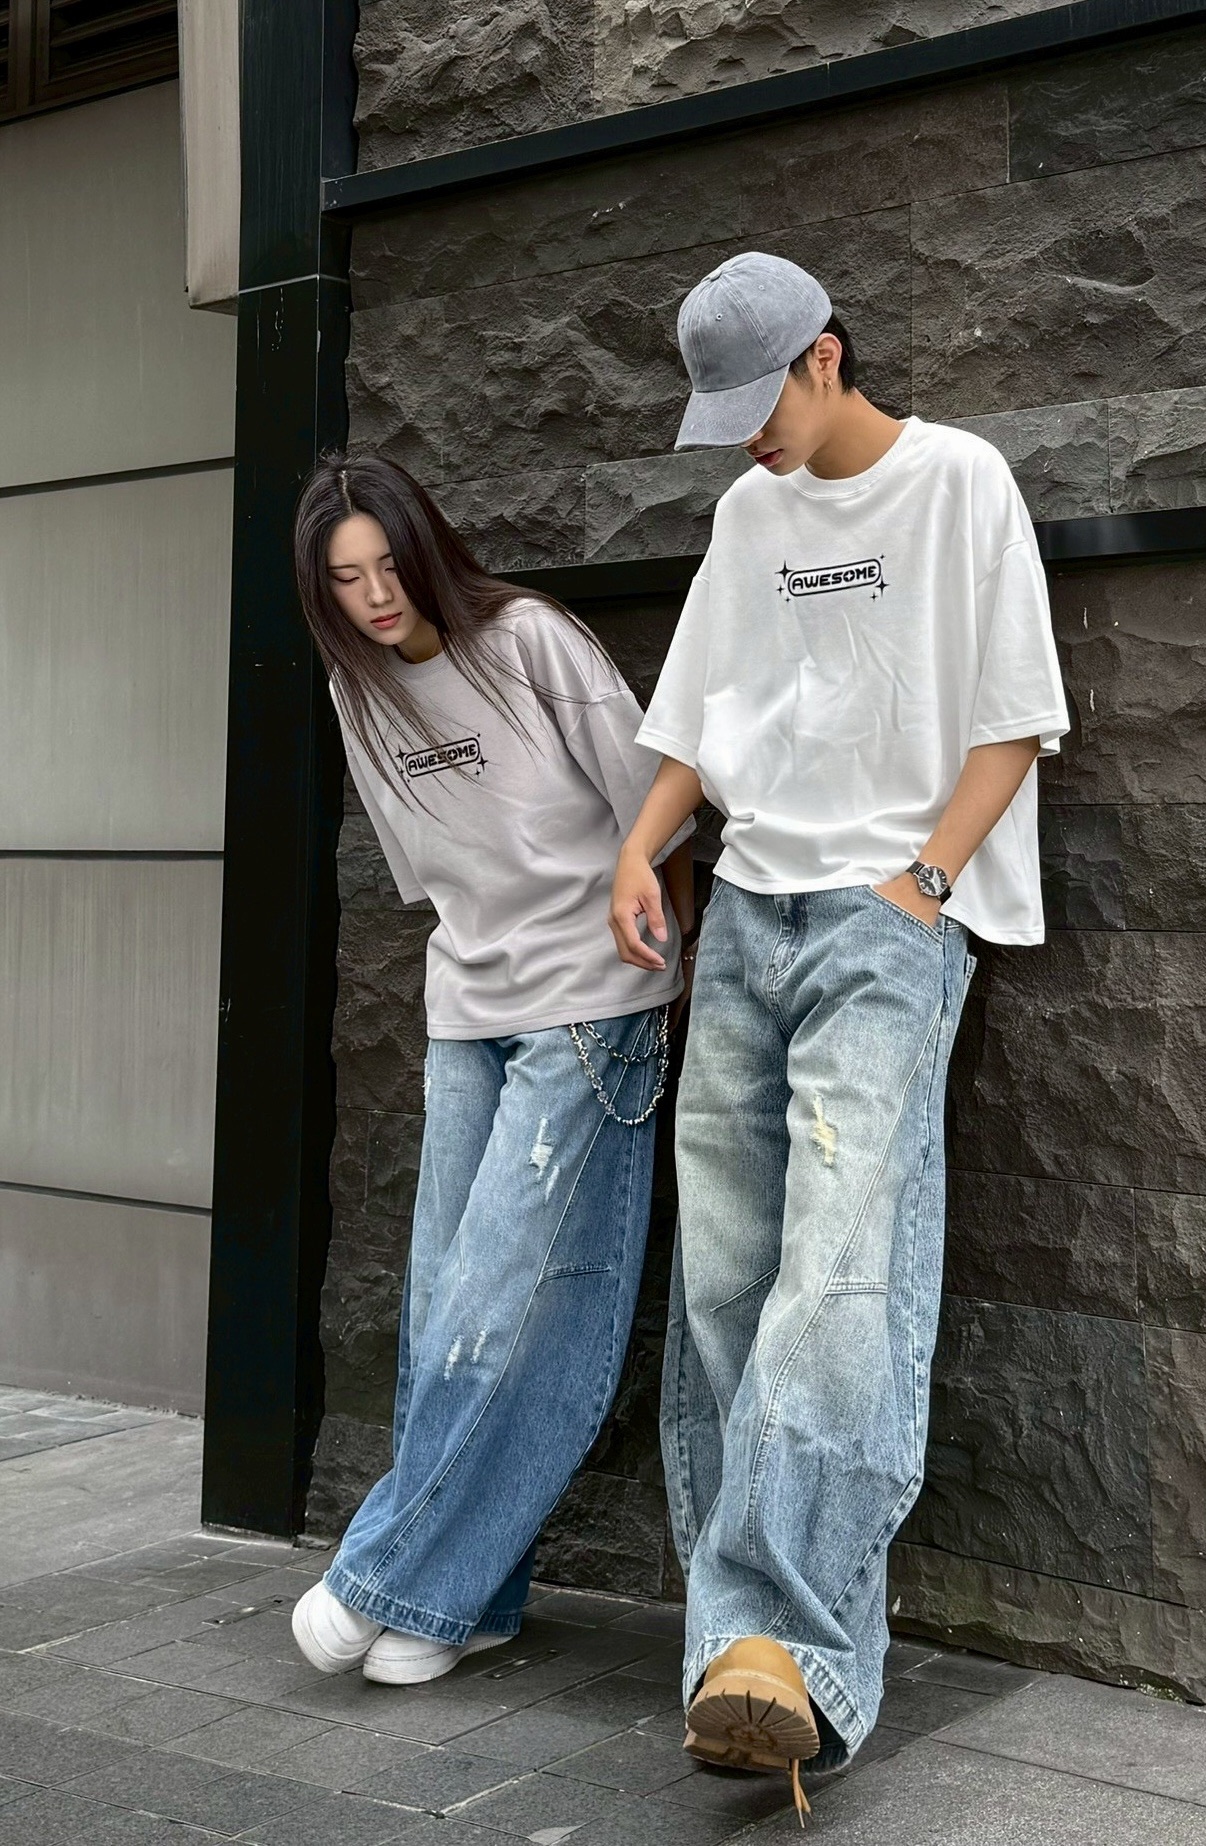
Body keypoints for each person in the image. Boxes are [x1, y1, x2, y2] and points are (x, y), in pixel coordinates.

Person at [609, 254, 1069, 1816]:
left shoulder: (958, 482)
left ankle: (782, 1652)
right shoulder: (751, 516)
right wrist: (640, 850)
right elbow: (697, 714)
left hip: (884, 918)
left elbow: (1015, 715)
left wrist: (923, 884)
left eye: (761, 401)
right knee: (728, 1274)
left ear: (826, 354)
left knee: (836, 1274)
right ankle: (746, 1656)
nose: (748, 437)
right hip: (746, 910)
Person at [289, 452, 694, 1686]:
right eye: (345, 578)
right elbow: (435, 878)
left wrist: (663, 964)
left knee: (512, 1303)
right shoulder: (358, 688)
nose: (374, 596)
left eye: (387, 565)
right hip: (466, 1009)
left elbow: (662, 810)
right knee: (443, 1308)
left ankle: (383, 1574)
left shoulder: (529, 643)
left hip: (591, 1004)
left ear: (425, 546)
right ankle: (469, 1597)